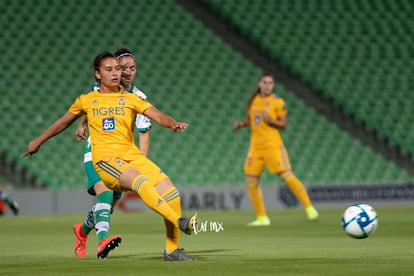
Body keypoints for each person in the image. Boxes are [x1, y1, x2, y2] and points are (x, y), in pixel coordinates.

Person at [22, 51, 197, 261]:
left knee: (171, 193)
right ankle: (180, 221)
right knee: (141, 183)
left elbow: (156, 114)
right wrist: (38, 141)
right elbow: (62, 122)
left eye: (117, 69)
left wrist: (172, 123)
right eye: (109, 69)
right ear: (97, 74)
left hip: (132, 156)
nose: (116, 73)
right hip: (106, 160)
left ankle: (171, 250)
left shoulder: (131, 99)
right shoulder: (87, 100)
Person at [72, 48, 152, 259]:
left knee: (109, 204)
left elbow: (144, 134)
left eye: (131, 68)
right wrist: (82, 124)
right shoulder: (101, 88)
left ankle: (82, 230)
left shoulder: (138, 97)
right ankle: (102, 241)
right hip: (96, 151)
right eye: (120, 68)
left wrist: (138, 166)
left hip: (121, 156)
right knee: (106, 193)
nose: (125, 72)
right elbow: (90, 105)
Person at [233, 72, 318, 226]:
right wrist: (241, 124)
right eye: (264, 82)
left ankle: (309, 207)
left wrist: (271, 119)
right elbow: (252, 119)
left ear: (273, 86)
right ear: (259, 84)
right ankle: (262, 217)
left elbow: (283, 124)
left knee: (286, 175)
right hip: (255, 146)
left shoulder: (277, 102)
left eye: (270, 83)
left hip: (273, 145)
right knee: (251, 180)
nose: (267, 85)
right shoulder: (254, 100)